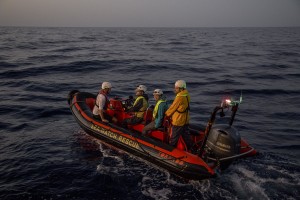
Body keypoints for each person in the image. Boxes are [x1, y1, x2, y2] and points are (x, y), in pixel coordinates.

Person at [165, 80, 192, 150]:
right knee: (186, 135)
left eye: (176, 88)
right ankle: (190, 148)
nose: (175, 89)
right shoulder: (187, 94)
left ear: (181, 88)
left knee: (174, 137)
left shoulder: (179, 97)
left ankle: (170, 150)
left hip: (178, 121)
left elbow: (172, 107)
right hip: (185, 119)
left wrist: (166, 115)